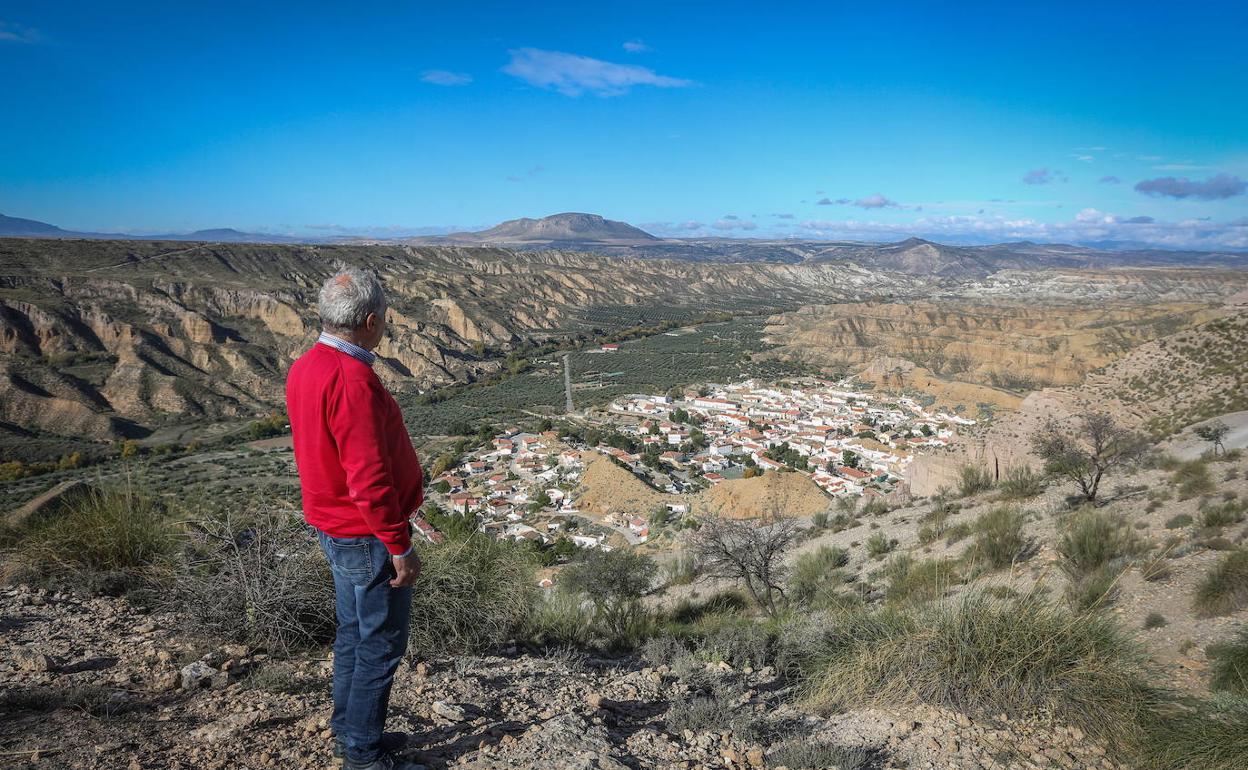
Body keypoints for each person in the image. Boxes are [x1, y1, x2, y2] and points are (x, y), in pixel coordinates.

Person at [286, 267, 425, 770]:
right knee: (381, 645)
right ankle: (362, 756)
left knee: (353, 634)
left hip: (335, 528)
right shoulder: (351, 379)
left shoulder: (307, 366)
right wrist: (399, 545)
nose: (385, 325)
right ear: (370, 320)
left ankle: (350, 731)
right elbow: (367, 477)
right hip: (365, 535)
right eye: (384, 318)